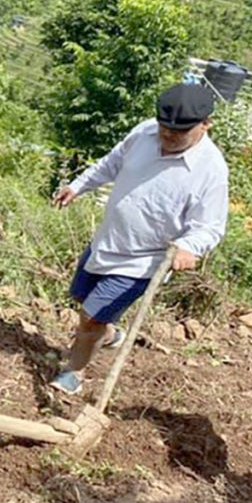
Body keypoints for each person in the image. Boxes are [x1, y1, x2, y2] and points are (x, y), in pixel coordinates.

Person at [49, 82, 229, 395]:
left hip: (144, 261)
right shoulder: (144, 133)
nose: (168, 136)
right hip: (107, 242)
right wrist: (78, 186)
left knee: (90, 317)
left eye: (179, 131)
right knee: (81, 298)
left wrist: (189, 247)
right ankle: (107, 335)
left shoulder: (211, 171)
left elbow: (209, 226)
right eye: (164, 128)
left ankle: (73, 373)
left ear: (205, 125)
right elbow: (112, 163)